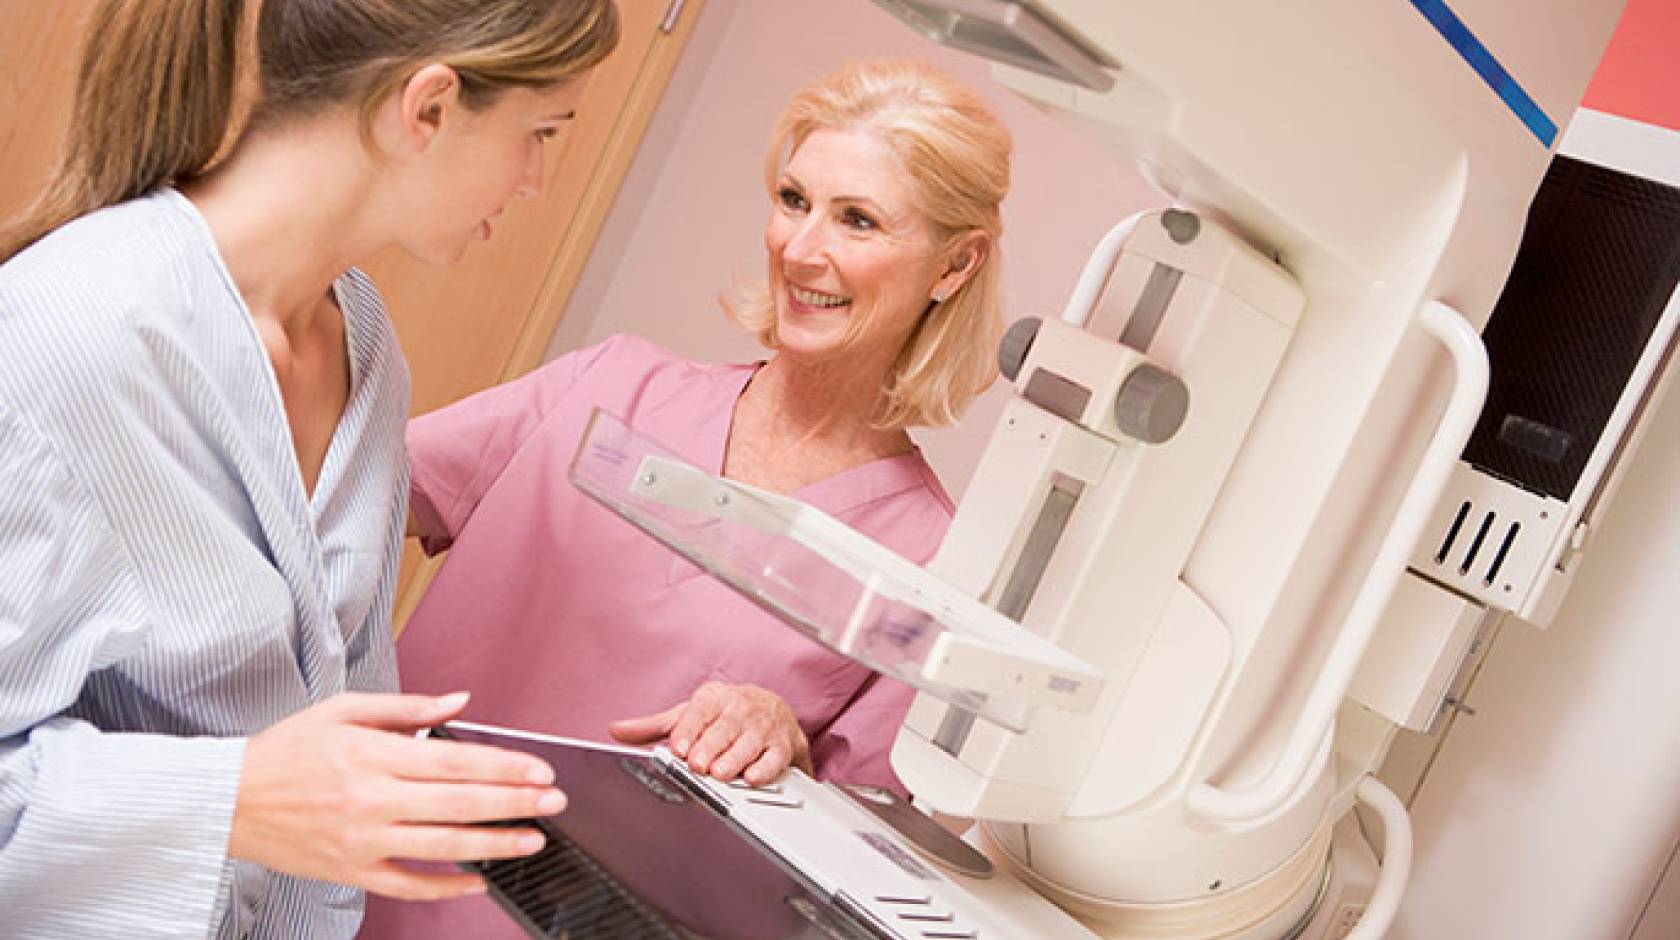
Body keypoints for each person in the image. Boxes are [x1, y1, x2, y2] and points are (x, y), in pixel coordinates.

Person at [0, 1, 618, 937]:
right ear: (429, 107)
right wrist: (230, 798)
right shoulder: (63, 338)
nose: (536, 179)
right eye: (540, 132)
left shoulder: (362, 347)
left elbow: (338, 716)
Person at [357, 58, 1012, 937]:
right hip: (341, 867)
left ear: (953, 264)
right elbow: (334, 500)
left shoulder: (928, 564)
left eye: (857, 220)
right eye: (792, 199)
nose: (801, 247)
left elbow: (849, 861)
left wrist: (788, 746)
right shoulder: (609, 386)